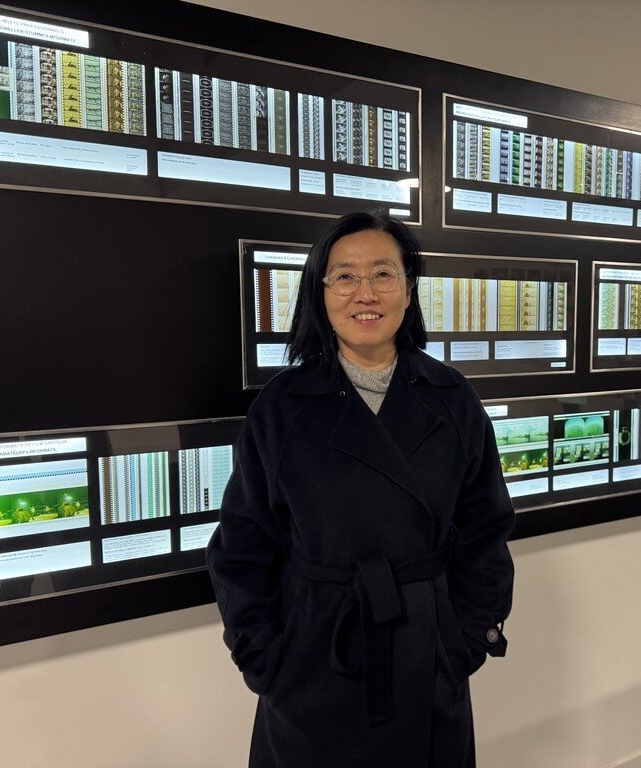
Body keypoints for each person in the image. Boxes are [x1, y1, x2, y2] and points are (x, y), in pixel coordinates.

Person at [207, 210, 515, 767]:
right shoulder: (281, 408)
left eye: (383, 274)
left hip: (426, 654)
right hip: (315, 659)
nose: (365, 293)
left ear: (408, 290)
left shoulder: (452, 397)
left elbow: (486, 529)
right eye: (345, 276)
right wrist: (266, 659)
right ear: (320, 293)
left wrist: (466, 638)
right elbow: (241, 547)